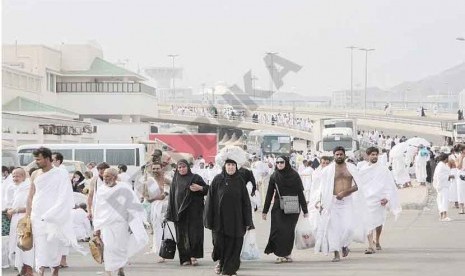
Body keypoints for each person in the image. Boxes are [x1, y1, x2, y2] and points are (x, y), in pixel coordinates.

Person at [26, 147, 82, 276]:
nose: (36, 162)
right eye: (35, 159)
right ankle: (40, 271)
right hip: (37, 214)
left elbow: (65, 195)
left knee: (54, 245)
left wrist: (54, 212)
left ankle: (54, 271)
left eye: (38, 159)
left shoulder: (61, 173)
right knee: (39, 244)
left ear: (47, 158)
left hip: (55, 216)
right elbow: (30, 195)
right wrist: (27, 214)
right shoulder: (35, 173)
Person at [314, 146, 367, 262]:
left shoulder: (351, 168)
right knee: (333, 229)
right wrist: (319, 201)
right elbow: (322, 188)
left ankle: (344, 245)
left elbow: (359, 185)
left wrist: (344, 193)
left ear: (344, 155)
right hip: (332, 201)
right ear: (334, 156)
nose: (339, 156)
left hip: (347, 201)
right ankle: (336, 253)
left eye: (341, 154)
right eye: (337, 154)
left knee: (348, 227)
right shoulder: (327, 170)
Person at [93, 168, 148, 276]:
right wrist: (97, 227)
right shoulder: (101, 190)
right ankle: (108, 272)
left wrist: (134, 223)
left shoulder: (124, 188)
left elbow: (133, 206)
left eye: (108, 176)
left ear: (114, 177)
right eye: (104, 176)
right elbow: (98, 209)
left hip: (121, 223)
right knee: (109, 248)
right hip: (107, 224)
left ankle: (120, 268)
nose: (105, 179)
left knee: (121, 248)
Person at [204, 158, 253, 276]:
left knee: (234, 245)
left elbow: (245, 202)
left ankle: (229, 270)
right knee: (219, 244)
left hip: (236, 220)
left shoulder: (240, 181)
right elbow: (210, 201)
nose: (230, 167)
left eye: (233, 165)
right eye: (228, 165)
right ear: (224, 166)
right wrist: (208, 219)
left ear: (236, 167)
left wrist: (248, 221)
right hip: (219, 221)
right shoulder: (217, 180)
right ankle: (221, 263)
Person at [262, 156, 308, 263]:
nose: (279, 164)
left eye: (282, 162)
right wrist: (265, 211)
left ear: (286, 163)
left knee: (288, 232)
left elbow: (300, 193)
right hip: (278, 207)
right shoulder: (274, 176)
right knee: (278, 230)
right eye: (277, 162)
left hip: (293, 207)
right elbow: (269, 194)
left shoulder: (294, 175)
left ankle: (287, 253)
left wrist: (305, 210)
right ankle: (280, 254)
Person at [165, 159, 209, 266]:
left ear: (188, 167)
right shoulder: (175, 179)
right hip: (179, 212)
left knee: (195, 234)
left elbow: (208, 190)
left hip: (195, 211)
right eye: (179, 167)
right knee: (181, 235)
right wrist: (169, 213)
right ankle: (184, 258)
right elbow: (171, 197)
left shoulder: (196, 177)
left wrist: (200, 188)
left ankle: (193, 256)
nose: (181, 169)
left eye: (183, 167)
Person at [358, 147, 401, 254]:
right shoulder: (363, 169)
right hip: (367, 199)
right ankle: (370, 245)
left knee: (378, 221)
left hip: (379, 199)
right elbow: (359, 184)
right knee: (368, 221)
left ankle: (377, 241)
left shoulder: (383, 169)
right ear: (368, 156)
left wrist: (387, 198)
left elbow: (389, 184)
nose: (374, 156)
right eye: (372, 154)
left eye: (376, 154)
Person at [6, 168, 34, 276]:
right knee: (17, 245)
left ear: (23, 176)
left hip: (25, 219)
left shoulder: (28, 187)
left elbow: (30, 206)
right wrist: (10, 211)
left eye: (17, 176)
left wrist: (15, 210)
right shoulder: (13, 188)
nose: (15, 178)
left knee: (26, 244)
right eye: (13, 176)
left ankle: (29, 270)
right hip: (15, 219)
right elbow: (9, 204)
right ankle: (21, 269)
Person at [143, 162, 171, 262]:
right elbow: (146, 196)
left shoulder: (165, 179)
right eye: (153, 169)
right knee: (157, 230)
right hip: (154, 208)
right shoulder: (148, 181)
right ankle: (160, 252)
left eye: (157, 168)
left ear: (161, 169)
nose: (155, 170)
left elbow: (173, 188)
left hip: (165, 207)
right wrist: (157, 197)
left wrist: (166, 194)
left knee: (166, 231)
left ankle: (166, 251)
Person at [433, 153, 454, 221]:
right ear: (445, 159)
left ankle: (442, 215)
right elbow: (439, 176)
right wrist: (449, 176)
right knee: (444, 200)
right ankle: (444, 216)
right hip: (442, 185)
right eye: (448, 158)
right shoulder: (440, 165)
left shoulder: (443, 165)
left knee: (442, 200)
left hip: (444, 185)